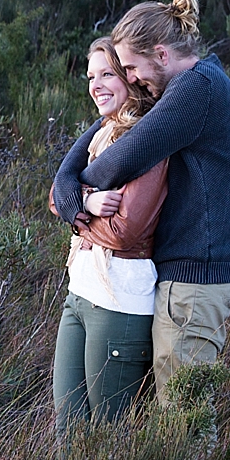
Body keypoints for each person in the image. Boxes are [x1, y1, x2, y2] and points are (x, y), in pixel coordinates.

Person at [52, 0, 230, 408]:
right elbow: (98, 140)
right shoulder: (194, 85)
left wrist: (74, 190)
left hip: (197, 278)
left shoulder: (197, 89)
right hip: (182, 274)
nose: (132, 78)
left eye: (132, 68)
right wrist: (70, 188)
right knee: (171, 408)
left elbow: (127, 155)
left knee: (184, 414)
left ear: (160, 54)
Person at [48, 37, 167, 434]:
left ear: (130, 78)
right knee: (68, 432)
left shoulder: (149, 140)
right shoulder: (101, 133)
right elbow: (55, 198)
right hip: (80, 294)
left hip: (119, 302)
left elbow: (122, 232)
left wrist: (76, 209)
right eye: (90, 76)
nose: (95, 85)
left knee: (109, 441)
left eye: (106, 74)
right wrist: (88, 198)